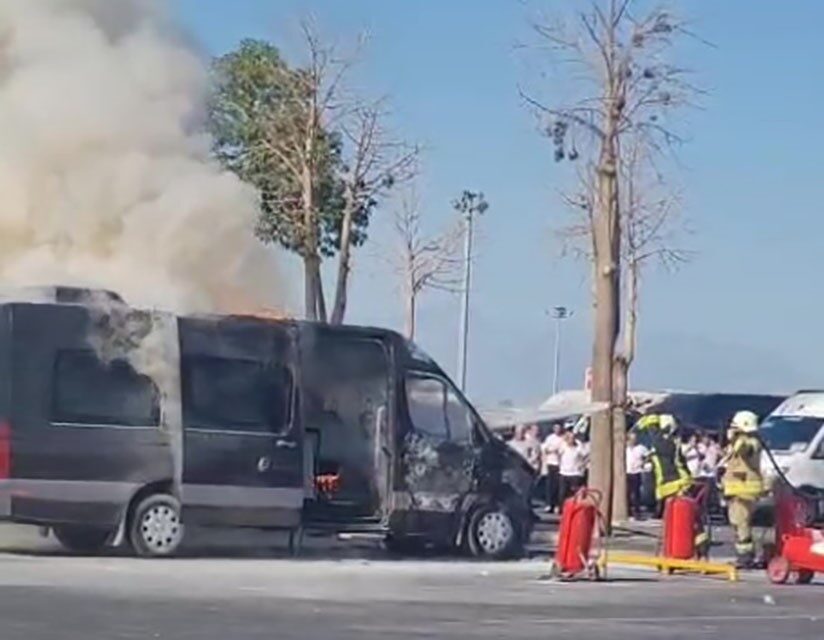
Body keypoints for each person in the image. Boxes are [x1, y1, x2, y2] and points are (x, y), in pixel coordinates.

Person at [721, 410, 764, 569]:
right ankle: (744, 555)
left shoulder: (751, 442)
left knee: (742, 523)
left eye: (735, 427)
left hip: (745, 491)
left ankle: (745, 558)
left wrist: (735, 438)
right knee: (736, 523)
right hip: (736, 491)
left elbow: (744, 449)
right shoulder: (742, 441)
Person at [635, 414, 693, 513]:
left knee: (677, 511)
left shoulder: (666, 443)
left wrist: (651, 423)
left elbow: (656, 438)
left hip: (675, 480)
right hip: (669, 481)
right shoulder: (670, 442)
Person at [625, 431, 649, 519]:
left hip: (636, 472)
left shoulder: (641, 448)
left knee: (636, 493)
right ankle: (627, 511)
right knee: (626, 492)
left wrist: (643, 463)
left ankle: (637, 512)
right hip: (626, 472)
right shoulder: (624, 448)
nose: (633, 441)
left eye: (634, 439)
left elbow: (648, 455)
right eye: (631, 439)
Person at [558, 430, 587, 502]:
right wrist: (560, 465)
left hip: (575, 473)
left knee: (574, 493)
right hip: (564, 472)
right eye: (569, 438)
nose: (571, 440)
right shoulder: (563, 445)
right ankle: (562, 509)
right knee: (562, 493)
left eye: (573, 438)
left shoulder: (578, 446)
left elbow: (585, 455)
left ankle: (573, 509)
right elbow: (559, 455)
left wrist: (582, 464)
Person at [541, 423, 564, 513]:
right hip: (551, 463)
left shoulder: (563, 438)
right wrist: (552, 450)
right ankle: (549, 504)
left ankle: (557, 505)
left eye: (559, 428)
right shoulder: (550, 438)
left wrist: (558, 451)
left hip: (560, 464)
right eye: (556, 428)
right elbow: (545, 449)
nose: (557, 430)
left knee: (559, 486)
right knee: (550, 485)